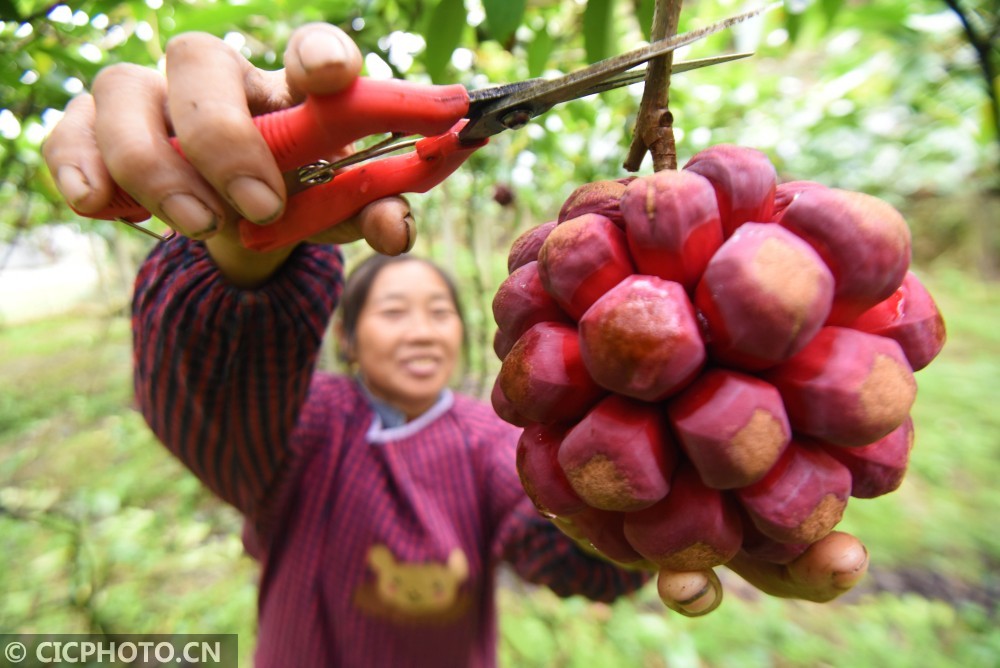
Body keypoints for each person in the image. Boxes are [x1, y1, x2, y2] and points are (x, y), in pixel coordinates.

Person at [42, 22, 870, 667]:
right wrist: (234, 237)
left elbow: (565, 541)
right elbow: (208, 396)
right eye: (392, 311)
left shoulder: (484, 440)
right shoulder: (307, 430)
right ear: (350, 340)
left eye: (437, 311)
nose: (420, 327)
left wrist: (664, 527)